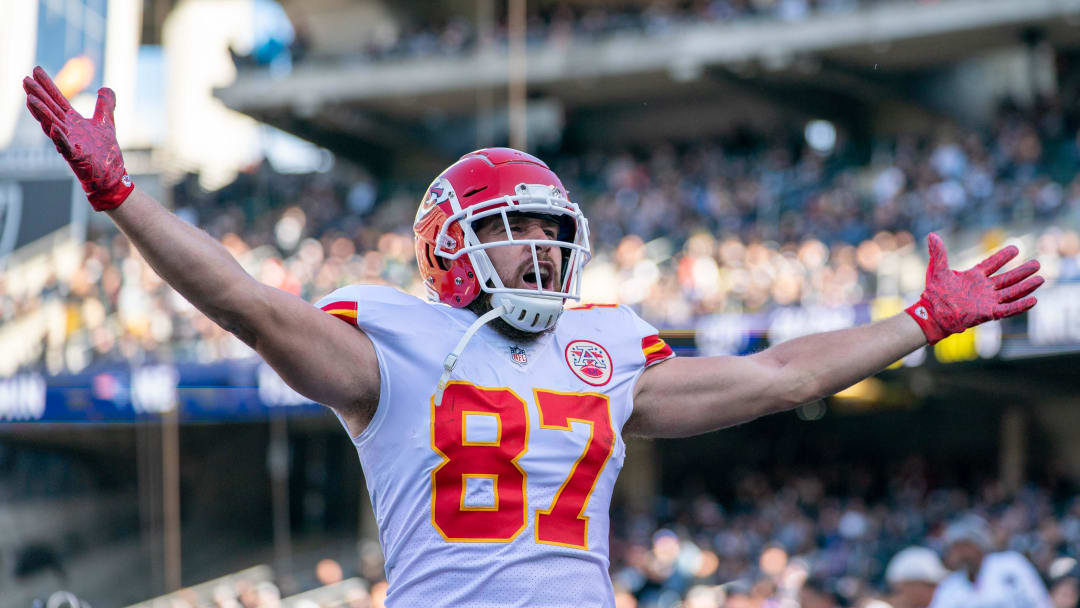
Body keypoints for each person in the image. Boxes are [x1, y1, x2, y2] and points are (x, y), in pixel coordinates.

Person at [22, 67, 1045, 608]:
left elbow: (781, 375)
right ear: (453, 249)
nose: (545, 258)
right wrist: (122, 196)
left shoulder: (605, 350)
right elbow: (248, 301)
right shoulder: (393, 341)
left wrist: (920, 323)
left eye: (556, 236)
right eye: (517, 235)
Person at [929, 514, 1052, 608]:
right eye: (953, 548)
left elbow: (1039, 602)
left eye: (961, 547)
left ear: (976, 545)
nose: (957, 554)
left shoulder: (1011, 564)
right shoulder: (950, 585)